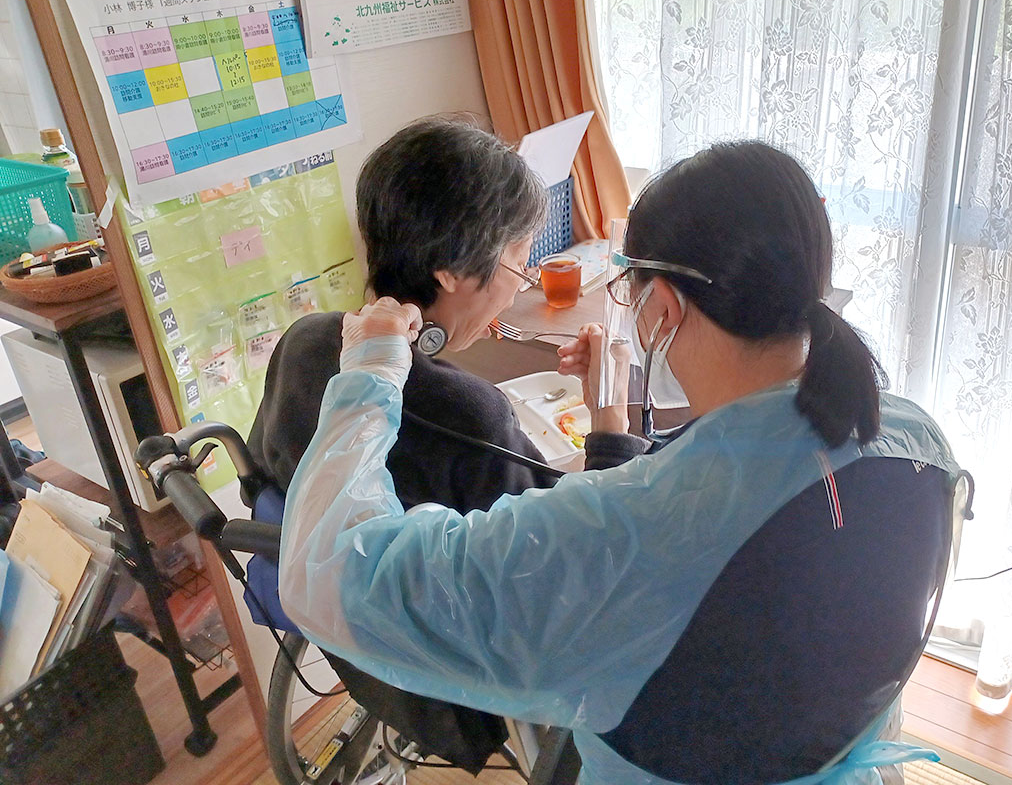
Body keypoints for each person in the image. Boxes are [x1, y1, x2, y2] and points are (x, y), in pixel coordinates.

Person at [278, 141, 962, 784]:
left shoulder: (626, 529)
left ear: (662, 306)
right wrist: (612, 423)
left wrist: (368, 376)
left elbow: (331, 575)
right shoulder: (918, 443)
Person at [247, 117, 647, 772]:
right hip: (452, 676)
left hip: (353, 644)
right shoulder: (470, 416)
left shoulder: (306, 341)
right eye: (519, 263)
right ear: (454, 271)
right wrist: (610, 420)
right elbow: (582, 564)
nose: (519, 283)